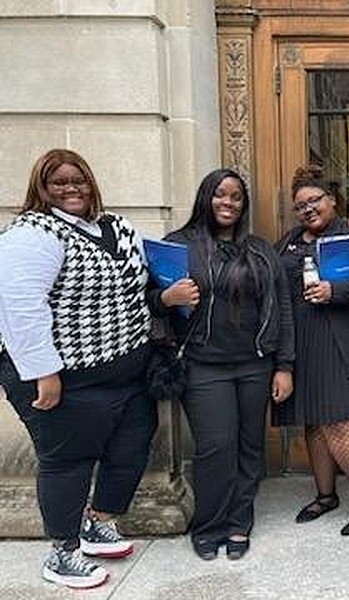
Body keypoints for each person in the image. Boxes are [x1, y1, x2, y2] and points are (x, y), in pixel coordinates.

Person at [0, 149, 157, 589]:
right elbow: (19, 306)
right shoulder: (33, 233)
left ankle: (98, 522)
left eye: (79, 180)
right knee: (68, 461)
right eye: (59, 183)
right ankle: (63, 553)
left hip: (125, 371)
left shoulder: (115, 226)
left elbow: (143, 281)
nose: (71, 189)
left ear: (92, 183)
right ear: (42, 189)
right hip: (66, 377)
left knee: (130, 448)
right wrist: (41, 372)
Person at [158, 168, 294, 561]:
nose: (228, 203)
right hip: (203, 364)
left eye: (236, 197)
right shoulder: (179, 245)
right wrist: (167, 297)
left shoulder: (260, 249)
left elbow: (282, 307)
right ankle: (209, 524)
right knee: (215, 446)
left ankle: (239, 522)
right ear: (206, 197)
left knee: (250, 447)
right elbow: (150, 297)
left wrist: (284, 365)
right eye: (220, 195)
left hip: (254, 364)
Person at [275, 164, 349, 536]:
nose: (308, 208)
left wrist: (335, 292)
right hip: (302, 344)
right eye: (300, 205)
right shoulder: (288, 241)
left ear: (332, 201)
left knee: (340, 421)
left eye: (315, 200)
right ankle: (326, 495)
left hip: (344, 346)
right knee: (313, 422)